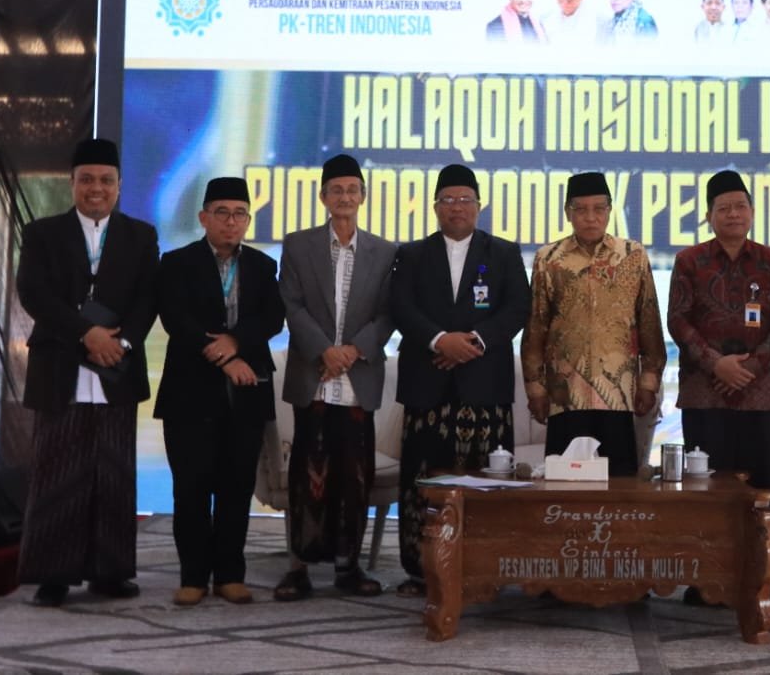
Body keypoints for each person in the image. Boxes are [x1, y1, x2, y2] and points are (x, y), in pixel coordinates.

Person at [16, 138, 159, 608]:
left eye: (106, 180)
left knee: (113, 474)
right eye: (87, 180)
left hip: (117, 368)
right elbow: (34, 293)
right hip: (60, 366)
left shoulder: (141, 235)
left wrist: (122, 342)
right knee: (57, 472)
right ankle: (52, 575)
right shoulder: (43, 233)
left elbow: (148, 298)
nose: (96, 188)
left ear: (119, 186)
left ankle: (110, 573)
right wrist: (87, 334)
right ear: (72, 183)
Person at [391, 163, 531, 596]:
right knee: (424, 481)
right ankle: (420, 570)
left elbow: (518, 308)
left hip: (483, 386)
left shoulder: (503, 252)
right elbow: (400, 307)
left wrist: (474, 341)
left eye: (465, 200)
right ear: (435, 207)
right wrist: (440, 340)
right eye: (448, 200)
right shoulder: (412, 254)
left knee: (485, 480)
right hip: (427, 384)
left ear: (478, 206)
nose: (457, 208)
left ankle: (485, 568)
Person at [667, 170, 770, 605]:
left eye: (740, 206)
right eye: (724, 208)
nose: (733, 214)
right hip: (705, 393)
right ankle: (706, 580)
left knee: (760, 489)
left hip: (760, 395)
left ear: (752, 212)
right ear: (709, 216)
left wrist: (751, 367)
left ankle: (760, 579)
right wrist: (716, 364)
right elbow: (678, 320)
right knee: (707, 488)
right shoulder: (689, 261)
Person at [154, 177, 284, 607]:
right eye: (222, 213)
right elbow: (176, 318)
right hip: (190, 391)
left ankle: (230, 574)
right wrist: (226, 358)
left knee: (236, 485)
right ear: (204, 217)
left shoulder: (262, 266)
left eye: (240, 213)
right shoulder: (177, 262)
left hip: (246, 394)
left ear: (248, 220)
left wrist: (237, 342)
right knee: (190, 487)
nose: (231, 221)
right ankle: (193, 576)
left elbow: (272, 318)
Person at [275, 154, 397, 601]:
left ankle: (349, 566)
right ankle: (299, 567)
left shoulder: (385, 252)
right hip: (314, 374)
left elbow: (388, 313)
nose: (344, 197)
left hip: (358, 377)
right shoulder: (298, 245)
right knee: (308, 475)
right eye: (336, 190)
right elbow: (290, 304)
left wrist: (352, 351)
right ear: (323, 196)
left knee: (354, 476)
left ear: (363, 196)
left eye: (352, 190)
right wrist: (324, 350)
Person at [522, 172, 664, 477]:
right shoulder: (549, 259)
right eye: (581, 209)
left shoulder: (632, 256)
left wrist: (648, 383)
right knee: (563, 483)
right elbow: (535, 328)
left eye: (599, 208)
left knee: (619, 486)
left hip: (618, 395)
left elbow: (649, 323)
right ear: (568, 212)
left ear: (610, 211)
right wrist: (535, 389)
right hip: (565, 396)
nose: (590, 217)